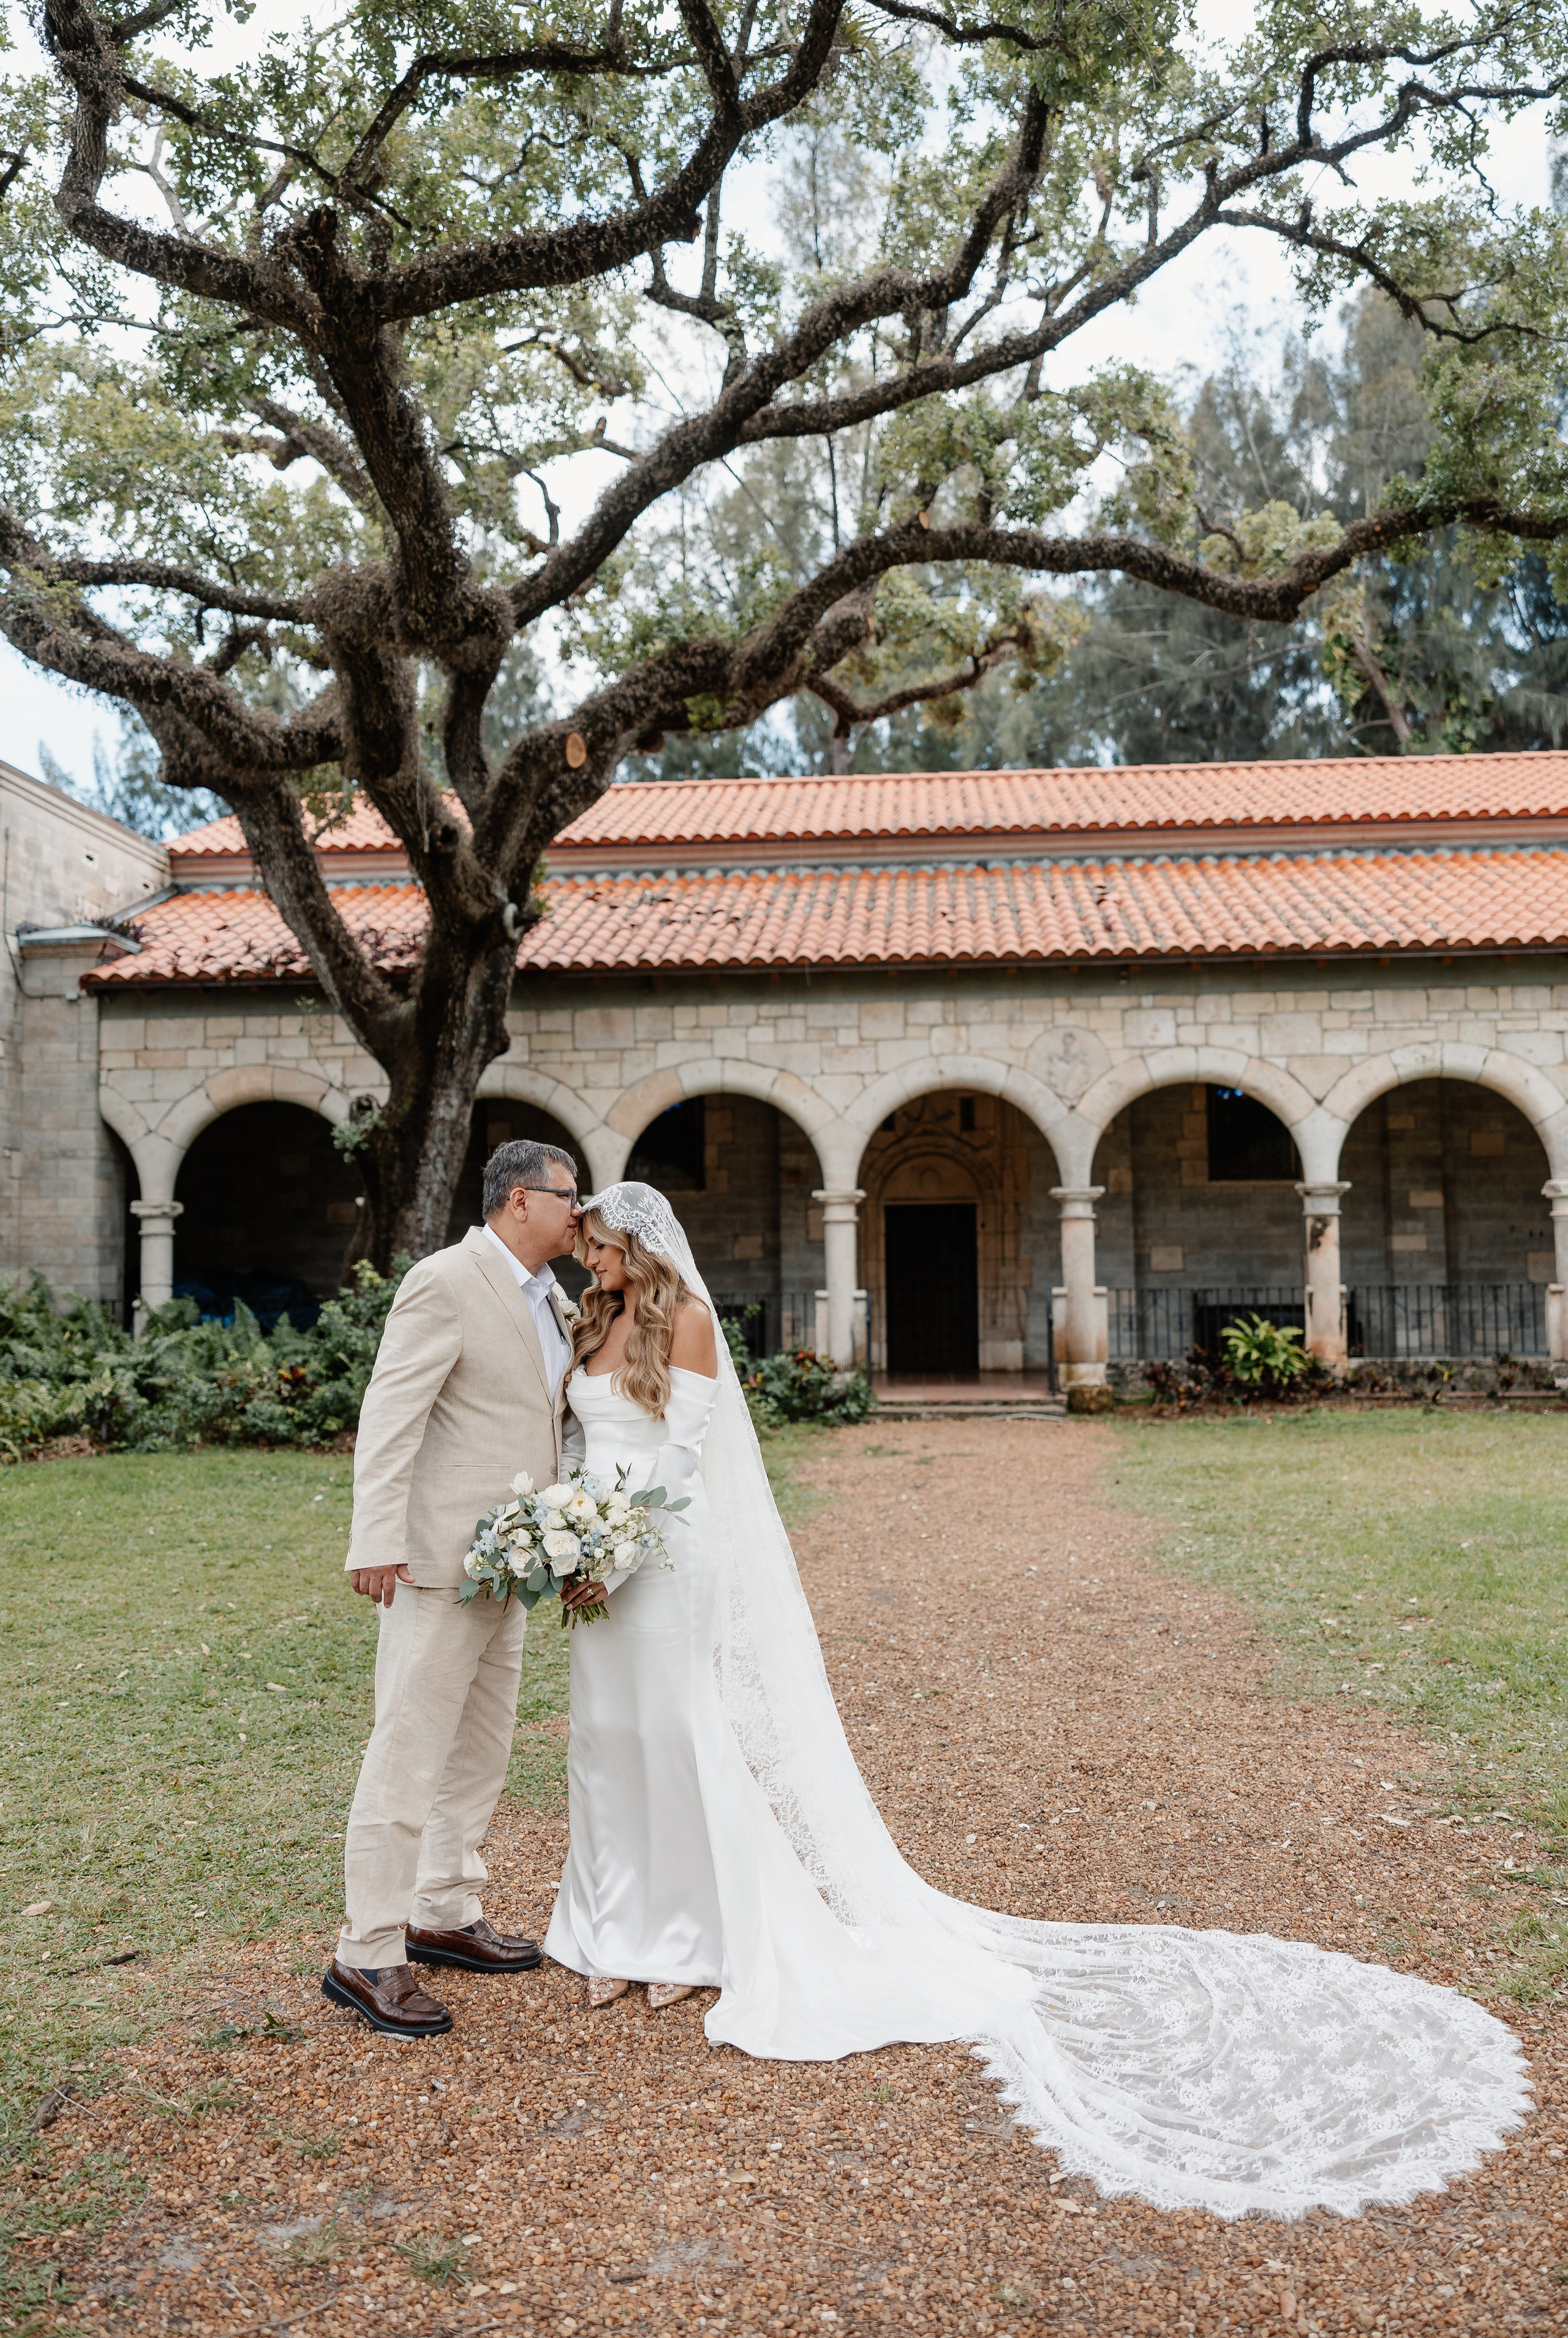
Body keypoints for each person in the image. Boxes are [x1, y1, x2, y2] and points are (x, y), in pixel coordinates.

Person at [545, 1180, 1530, 2220]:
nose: (590, 1261)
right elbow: (578, 1442)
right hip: (593, 1555)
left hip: (661, 1553)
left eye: (602, 1247)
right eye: (587, 1249)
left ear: (640, 1247)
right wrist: (567, 1530)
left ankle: (690, 1938)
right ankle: (613, 1929)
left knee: (677, 1732)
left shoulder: (688, 1322)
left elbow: (685, 1463)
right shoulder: (591, 1320)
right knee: (607, 1738)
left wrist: (622, 1549)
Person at [322, 1138, 583, 2039]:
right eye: (566, 1195)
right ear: (517, 1200)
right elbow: (391, 1414)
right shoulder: (444, 1280)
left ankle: (444, 1906)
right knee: (407, 1751)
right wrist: (376, 1538)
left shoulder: (552, 1296)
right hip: (436, 1559)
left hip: (511, 1563)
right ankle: (367, 1950)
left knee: (481, 1749)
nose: (577, 1211)